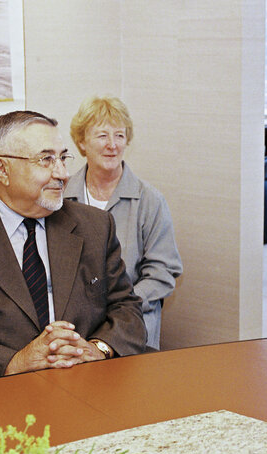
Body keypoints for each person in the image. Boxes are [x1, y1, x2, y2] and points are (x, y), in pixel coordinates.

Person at [0, 110, 146, 388]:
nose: (63, 174)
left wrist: (97, 349)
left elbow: (126, 308)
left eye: (63, 158)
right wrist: (16, 362)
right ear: (1, 170)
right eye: (46, 160)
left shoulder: (94, 226)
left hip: (87, 385)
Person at [66, 96, 182, 350]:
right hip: (73, 326)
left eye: (119, 135)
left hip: (132, 322)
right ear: (82, 143)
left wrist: (123, 306)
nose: (112, 145)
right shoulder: (62, 198)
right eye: (102, 136)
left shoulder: (149, 200)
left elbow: (163, 272)